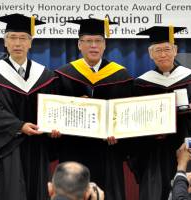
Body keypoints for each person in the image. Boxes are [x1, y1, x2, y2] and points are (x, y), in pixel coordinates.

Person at [54, 18, 133, 200]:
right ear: (79, 45)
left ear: (105, 45)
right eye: (88, 41)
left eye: (98, 41)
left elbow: (128, 114)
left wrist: (119, 133)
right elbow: (54, 113)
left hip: (107, 150)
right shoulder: (62, 74)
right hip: (74, 148)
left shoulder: (122, 75)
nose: (93, 46)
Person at [0, 13, 59, 200]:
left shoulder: (45, 75)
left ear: (30, 43)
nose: (17, 43)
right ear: (5, 43)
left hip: (38, 147)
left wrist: (55, 127)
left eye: (23, 38)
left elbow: (54, 108)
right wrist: (18, 126)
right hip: (9, 147)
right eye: (12, 38)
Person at [127, 26, 191, 200]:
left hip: (185, 147)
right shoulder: (141, 84)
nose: (163, 54)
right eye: (158, 50)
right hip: (153, 152)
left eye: (167, 49)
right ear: (150, 54)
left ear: (175, 51)